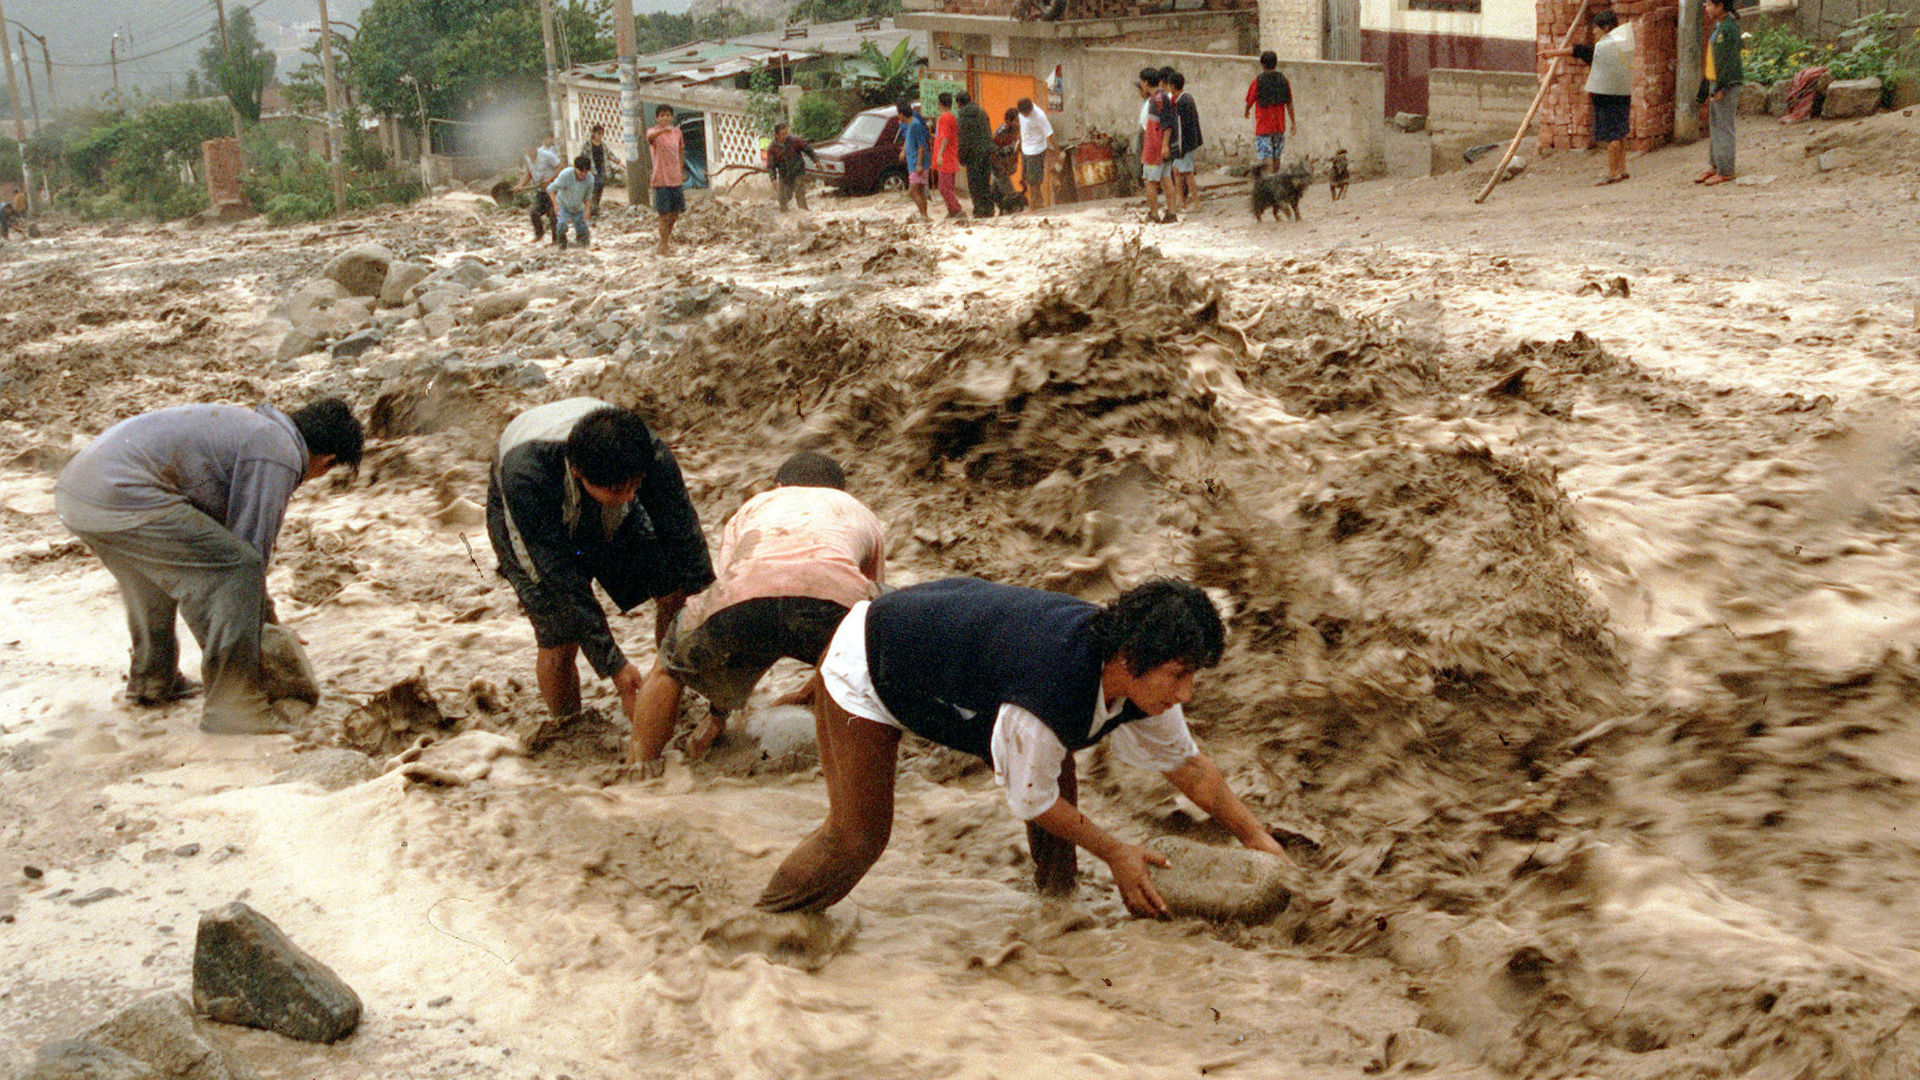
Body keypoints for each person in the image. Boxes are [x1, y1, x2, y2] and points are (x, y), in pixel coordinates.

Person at [756, 577, 1292, 916]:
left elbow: (1193, 771)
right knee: (857, 837)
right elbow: (1031, 800)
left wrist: (1258, 840)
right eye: (1179, 675)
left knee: (1056, 773)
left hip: (947, 636)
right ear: (1131, 658)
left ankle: (1055, 910)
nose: (1186, 693)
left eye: (1192, 676)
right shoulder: (1046, 690)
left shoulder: (1132, 679)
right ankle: (764, 929)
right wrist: (1117, 854)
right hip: (870, 663)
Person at [54, 399, 364, 734]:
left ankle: (153, 681)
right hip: (122, 497)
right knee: (237, 570)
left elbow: (217, 548)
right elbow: (246, 560)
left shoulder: (251, 429)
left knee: (152, 575)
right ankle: (235, 708)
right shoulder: (280, 452)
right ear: (327, 460)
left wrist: (264, 622)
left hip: (77, 494)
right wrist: (265, 632)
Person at [629, 451, 886, 770]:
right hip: (832, 602)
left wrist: (717, 714)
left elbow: (733, 598)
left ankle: (638, 770)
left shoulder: (752, 506)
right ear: (840, 491)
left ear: (778, 485)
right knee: (880, 630)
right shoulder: (859, 512)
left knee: (668, 668)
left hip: (744, 597)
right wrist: (813, 692)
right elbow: (866, 617)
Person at [487, 398, 714, 729]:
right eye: (618, 489)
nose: (628, 495)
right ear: (578, 472)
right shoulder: (525, 475)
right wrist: (616, 667)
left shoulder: (648, 454)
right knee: (559, 633)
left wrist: (710, 617)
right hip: (527, 511)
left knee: (674, 587)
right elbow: (562, 579)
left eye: (634, 487)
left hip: (603, 489)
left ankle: (671, 683)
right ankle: (570, 729)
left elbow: (685, 539)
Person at [1546, 10, 1634, 185]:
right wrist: (1555, 52)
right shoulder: (1624, 43)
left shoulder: (1604, 48)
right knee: (1621, 133)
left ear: (1606, 28)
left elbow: (1582, 52)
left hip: (1606, 96)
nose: (1594, 31)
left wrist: (1555, 52)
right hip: (1623, 92)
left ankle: (1613, 173)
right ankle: (1622, 169)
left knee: (1612, 136)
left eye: (1597, 28)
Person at [1696, 0, 1742, 185]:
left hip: (1726, 84)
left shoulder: (1728, 28)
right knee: (1715, 126)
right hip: (1717, 81)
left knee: (1724, 127)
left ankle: (1726, 170)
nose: (1705, 7)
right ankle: (1716, 165)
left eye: (1708, 3)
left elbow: (1729, 61)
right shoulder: (1720, 26)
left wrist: (1722, 87)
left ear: (1720, 5)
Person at [1245, 52, 1296, 177]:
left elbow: (1250, 100)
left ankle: (1269, 182)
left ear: (1262, 64)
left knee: (1266, 158)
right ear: (1276, 63)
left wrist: (1246, 111)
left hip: (1264, 126)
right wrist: (1293, 122)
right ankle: (1275, 180)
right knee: (1276, 156)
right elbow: (1289, 103)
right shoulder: (1284, 80)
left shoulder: (1258, 81)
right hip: (1279, 126)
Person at [647, 105, 687, 255]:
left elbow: (681, 151)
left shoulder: (677, 133)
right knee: (664, 215)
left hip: (675, 179)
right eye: (662, 115)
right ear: (657, 118)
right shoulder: (653, 132)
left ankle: (664, 242)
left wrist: (681, 170)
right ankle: (664, 246)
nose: (665, 118)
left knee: (675, 214)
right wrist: (663, 130)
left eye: (668, 115)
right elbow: (649, 138)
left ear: (672, 117)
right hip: (660, 179)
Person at [1141, 71, 1179, 221]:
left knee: (1150, 182)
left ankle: (1154, 214)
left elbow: (1167, 124)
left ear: (1145, 82)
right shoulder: (1159, 97)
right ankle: (1171, 212)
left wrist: (1164, 146)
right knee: (1166, 180)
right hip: (1160, 147)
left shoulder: (1158, 98)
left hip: (1155, 148)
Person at [956, 90, 996, 220]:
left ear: (959, 103)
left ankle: (979, 209)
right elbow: (988, 132)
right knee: (985, 182)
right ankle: (989, 209)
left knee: (974, 184)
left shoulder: (962, 116)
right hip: (987, 152)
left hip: (972, 155)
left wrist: (961, 156)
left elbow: (963, 139)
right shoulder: (981, 112)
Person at [518, 134, 564, 243]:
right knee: (534, 212)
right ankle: (539, 234)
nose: (528, 153)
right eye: (525, 151)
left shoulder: (546, 155)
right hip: (541, 192)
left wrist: (549, 179)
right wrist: (521, 185)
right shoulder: (527, 158)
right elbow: (530, 173)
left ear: (534, 148)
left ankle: (556, 240)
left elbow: (560, 166)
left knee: (553, 215)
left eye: (529, 150)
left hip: (554, 191)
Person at [766, 121, 820, 212]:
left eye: (786, 133)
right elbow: (771, 166)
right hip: (784, 175)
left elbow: (807, 148)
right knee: (782, 198)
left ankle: (805, 213)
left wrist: (816, 160)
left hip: (798, 171)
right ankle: (786, 217)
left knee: (799, 193)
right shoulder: (772, 148)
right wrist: (773, 179)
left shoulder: (794, 141)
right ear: (776, 135)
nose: (785, 136)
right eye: (782, 134)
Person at [546, 154, 595, 249]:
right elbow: (551, 189)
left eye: (586, 172)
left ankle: (583, 248)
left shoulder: (590, 179)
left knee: (583, 230)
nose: (583, 175)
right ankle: (562, 246)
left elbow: (588, 197)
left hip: (578, 207)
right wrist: (555, 205)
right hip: (563, 205)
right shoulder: (565, 175)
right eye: (581, 172)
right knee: (561, 225)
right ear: (575, 168)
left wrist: (587, 210)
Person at [1169, 70, 1203, 207]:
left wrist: (1180, 148)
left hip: (1185, 145)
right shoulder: (1187, 99)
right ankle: (1181, 201)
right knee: (1177, 171)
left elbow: (1181, 127)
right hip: (1188, 143)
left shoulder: (1182, 102)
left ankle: (1195, 203)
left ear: (1172, 86)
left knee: (1187, 173)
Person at [1016, 97, 1055, 210]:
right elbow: (1022, 127)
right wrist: (1019, 141)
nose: (1024, 115)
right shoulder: (1021, 112)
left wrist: (1056, 154)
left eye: (1026, 113)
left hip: (1036, 150)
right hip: (1025, 149)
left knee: (1034, 181)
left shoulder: (1040, 116)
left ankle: (1033, 206)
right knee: (1028, 179)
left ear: (1030, 110)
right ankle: (1039, 203)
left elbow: (1050, 134)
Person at [932, 92, 966, 219]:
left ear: (939, 103)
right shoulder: (949, 116)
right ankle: (952, 210)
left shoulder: (946, 117)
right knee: (947, 187)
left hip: (946, 157)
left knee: (944, 187)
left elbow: (945, 137)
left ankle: (956, 210)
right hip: (948, 156)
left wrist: (940, 154)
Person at [898, 100, 932, 220]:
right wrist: (904, 151)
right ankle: (925, 215)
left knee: (913, 191)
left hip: (917, 163)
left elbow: (922, 146)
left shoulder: (915, 125)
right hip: (914, 161)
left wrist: (918, 164)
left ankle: (924, 215)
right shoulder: (911, 124)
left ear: (902, 114)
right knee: (920, 189)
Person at [586, 123, 611, 217]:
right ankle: (592, 209)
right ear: (594, 133)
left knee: (600, 187)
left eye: (601, 134)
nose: (600, 136)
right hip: (591, 170)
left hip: (600, 169)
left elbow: (609, 154)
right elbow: (582, 155)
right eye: (598, 133)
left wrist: (618, 161)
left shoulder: (602, 145)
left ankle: (595, 207)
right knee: (593, 189)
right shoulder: (588, 144)